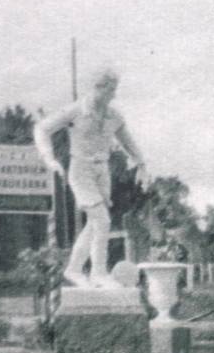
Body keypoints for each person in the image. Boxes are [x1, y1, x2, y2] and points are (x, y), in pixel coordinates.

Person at [34, 67, 149, 288]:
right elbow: (42, 128)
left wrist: (142, 164)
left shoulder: (113, 115)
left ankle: (74, 269)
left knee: (94, 223)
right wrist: (49, 158)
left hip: (102, 171)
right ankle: (98, 273)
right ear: (98, 88)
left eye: (115, 90)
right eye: (110, 90)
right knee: (102, 221)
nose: (113, 95)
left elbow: (128, 142)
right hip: (80, 169)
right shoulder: (75, 110)